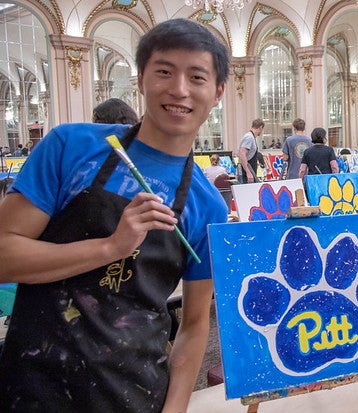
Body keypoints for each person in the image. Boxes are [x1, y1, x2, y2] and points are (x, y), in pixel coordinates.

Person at [0, 18, 229, 412]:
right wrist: (110, 247)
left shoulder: (207, 205)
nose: (178, 90)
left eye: (196, 77)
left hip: (132, 392)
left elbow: (193, 327)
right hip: (34, 385)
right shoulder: (70, 148)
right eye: (164, 72)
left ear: (218, 91)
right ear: (140, 79)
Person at [238, 119, 264, 183]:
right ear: (260, 127)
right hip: (246, 173)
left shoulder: (251, 137)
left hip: (250, 170)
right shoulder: (249, 137)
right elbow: (242, 154)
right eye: (262, 129)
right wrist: (248, 172)